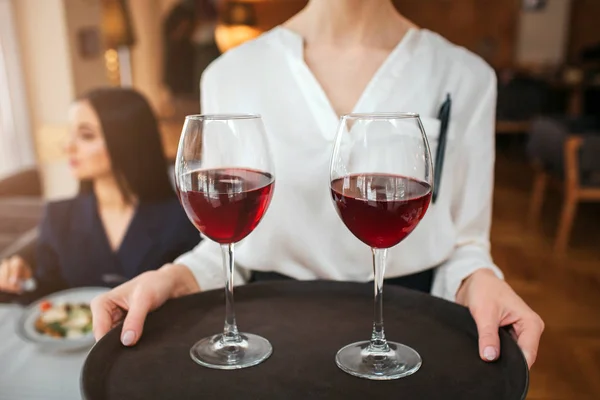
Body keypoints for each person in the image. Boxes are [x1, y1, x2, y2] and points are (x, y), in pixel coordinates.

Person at [91, 0, 544, 367]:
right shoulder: (230, 74)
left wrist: (479, 280)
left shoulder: (466, 77)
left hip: (412, 337)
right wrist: (174, 278)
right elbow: (228, 245)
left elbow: (465, 244)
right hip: (265, 340)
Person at [0, 88, 199, 294]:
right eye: (70, 134)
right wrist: (22, 281)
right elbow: (47, 294)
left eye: (86, 136)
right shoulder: (57, 217)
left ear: (126, 139)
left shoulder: (182, 218)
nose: (68, 146)